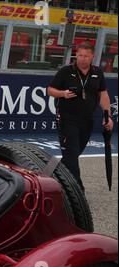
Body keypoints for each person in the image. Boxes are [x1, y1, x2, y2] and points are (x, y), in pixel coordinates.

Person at [48, 42, 114, 191]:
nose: (82, 59)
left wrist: (107, 116)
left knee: (73, 154)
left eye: (86, 56)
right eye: (80, 55)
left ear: (92, 57)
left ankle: (52, 176)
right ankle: (77, 191)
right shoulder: (66, 71)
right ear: (76, 55)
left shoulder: (98, 72)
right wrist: (63, 94)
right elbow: (50, 90)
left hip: (87, 120)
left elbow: (103, 94)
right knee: (71, 153)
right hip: (67, 119)